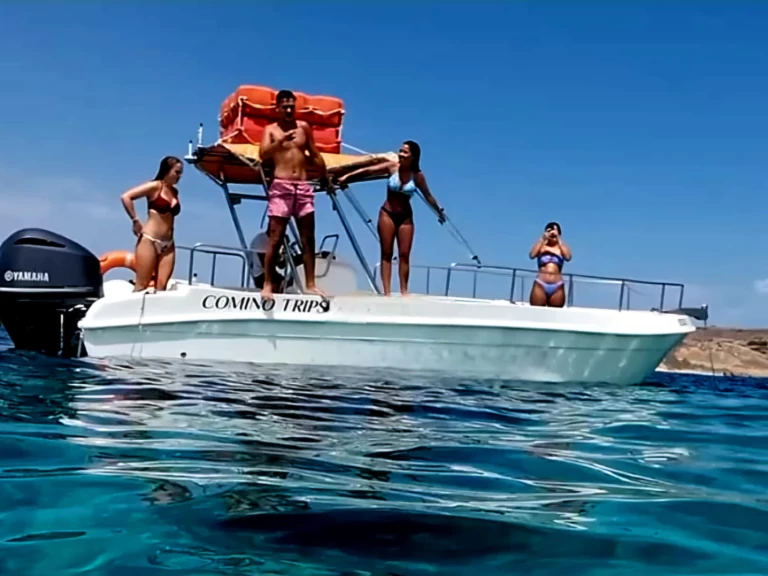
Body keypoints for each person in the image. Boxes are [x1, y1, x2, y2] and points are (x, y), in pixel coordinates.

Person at [336, 140, 444, 296]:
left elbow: (428, 195)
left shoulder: (417, 176)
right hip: (387, 214)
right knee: (386, 253)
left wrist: (438, 211)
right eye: (400, 151)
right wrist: (347, 177)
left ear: (413, 156)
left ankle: (404, 291)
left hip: (405, 217)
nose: (401, 154)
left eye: (405, 152)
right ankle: (386, 291)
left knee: (404, 255)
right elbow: (368, 171)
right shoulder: (392, 167)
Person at [258, 89, 328, 299]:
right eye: (285, 107)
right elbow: (263, 154)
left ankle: (311, 284)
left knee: (309, 238)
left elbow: (314, 153)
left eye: (291, 106)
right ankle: (267, 284)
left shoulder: (303, 127)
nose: (289, 110)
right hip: (282, 186)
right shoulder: (271, 130)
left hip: (303, 186)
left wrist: (325, 175)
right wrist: (279, 142)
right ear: (278, 108)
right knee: (276, 238)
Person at [120, 156, 183, 292]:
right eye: (177, 172)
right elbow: (126, 197)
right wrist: (135, 220)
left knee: (162, 287)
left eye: (180, 173)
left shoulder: (174, 192)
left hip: (168, 244)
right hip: (150, 240)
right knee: (142, 285)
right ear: (166, 171)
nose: (179, 176)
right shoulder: (155, 186)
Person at [528, 221, 572, 307]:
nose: (552, 233)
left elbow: (568, 257)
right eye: (550, 231)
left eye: (555, 231)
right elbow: (532, 255)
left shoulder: (561, 248)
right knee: (537, 311)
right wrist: (542, 238)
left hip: (557, 285)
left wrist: (558, 239)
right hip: (541, 284)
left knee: (555, 312)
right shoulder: (541, 246)